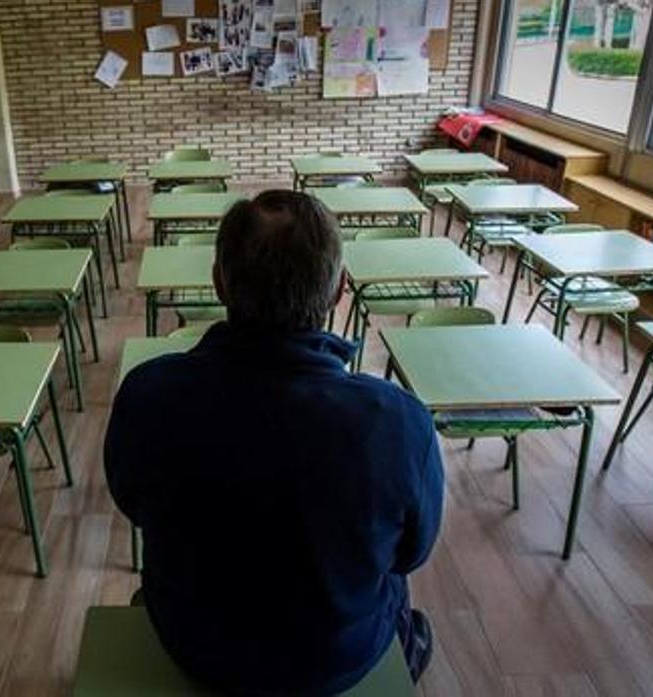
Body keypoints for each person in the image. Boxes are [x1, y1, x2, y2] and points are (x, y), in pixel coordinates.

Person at [104, 190, 444, 696]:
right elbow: (410, 554)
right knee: (393, 586)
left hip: (194, 646)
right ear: (337, 292)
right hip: (334, 663)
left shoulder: (147, 392)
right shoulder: (398, 421)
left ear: (218, 282)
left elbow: (131, 502)